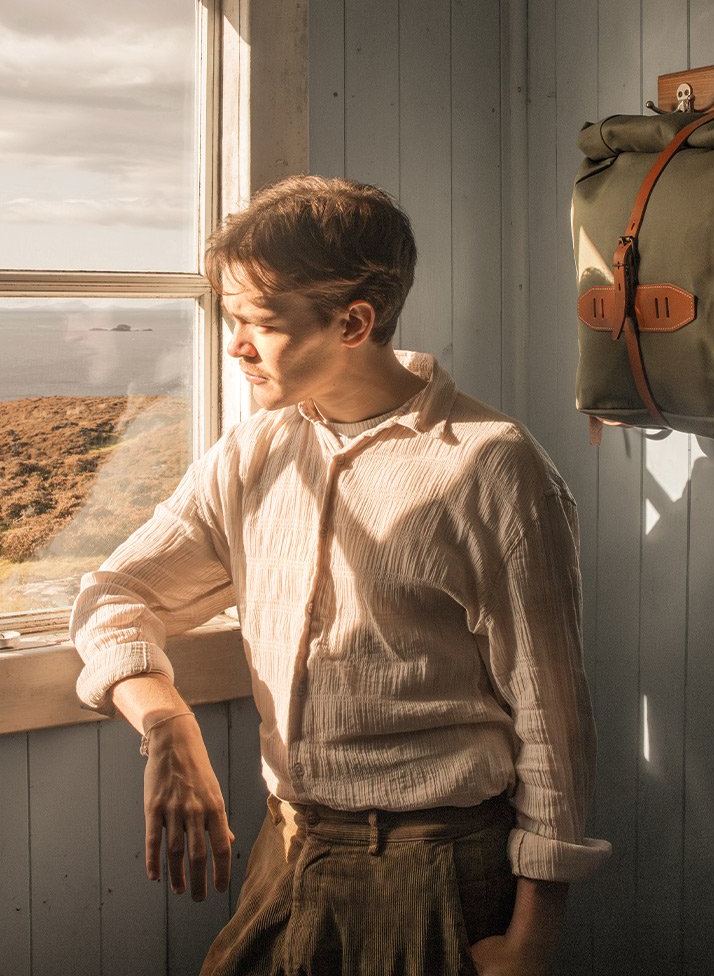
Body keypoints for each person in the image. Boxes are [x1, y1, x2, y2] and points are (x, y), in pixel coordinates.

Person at [70, 176, 610, 976]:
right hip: (285, 849)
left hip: (437, 868)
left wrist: (532, 939)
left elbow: (552, 716)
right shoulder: (253, 453)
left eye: (260, 323)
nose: (235, 347)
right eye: (231, 319)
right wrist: (165, 725)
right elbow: (116, 596)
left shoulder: (490, 466)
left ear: (355, 320)